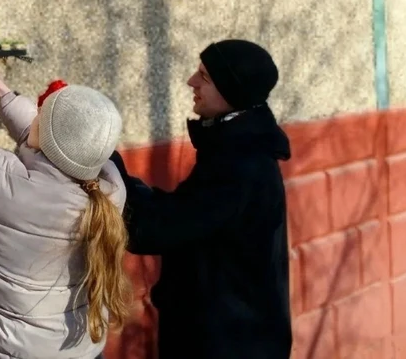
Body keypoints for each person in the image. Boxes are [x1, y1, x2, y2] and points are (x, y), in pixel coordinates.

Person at [0, 0, 130, 359]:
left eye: (40, 114)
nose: (34, 115)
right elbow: (54, 148)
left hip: (15, 350)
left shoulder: (2, 187)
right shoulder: (109, 186)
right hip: (81, 348)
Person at [111, 40, 292, 358]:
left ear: (232, 91)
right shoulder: (236, 150)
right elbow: (182, 214)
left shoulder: (240, 166)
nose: (191, 82)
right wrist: (121, 178)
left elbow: (157, 229)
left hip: (229, 346)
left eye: (205, 76)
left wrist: (102, 163)